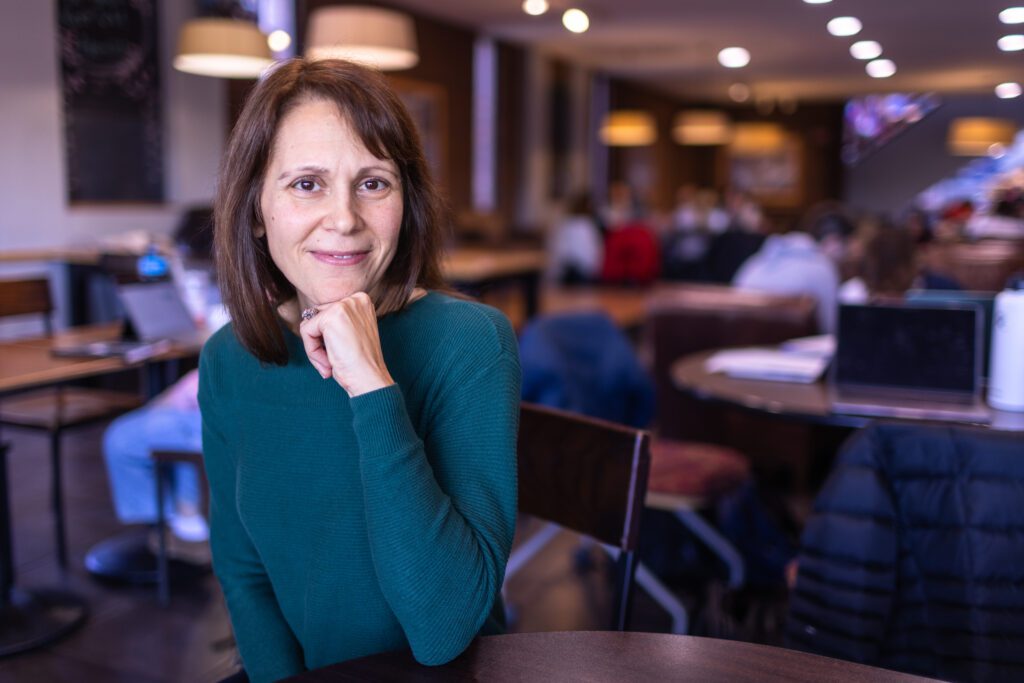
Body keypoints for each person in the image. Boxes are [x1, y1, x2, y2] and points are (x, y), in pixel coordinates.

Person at [201, 58, 521, 682]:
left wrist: (373, 384)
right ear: (257, 211)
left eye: (373, 183)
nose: (345, 218)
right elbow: (244, 573)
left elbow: (444, 627)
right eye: (307, 184)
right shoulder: (227, 357)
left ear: (407, 201)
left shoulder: (471, 343)